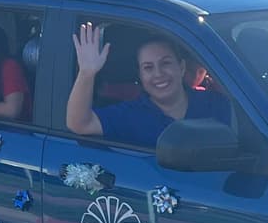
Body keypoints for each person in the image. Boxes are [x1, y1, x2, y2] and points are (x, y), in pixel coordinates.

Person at [67, 23, 230, 146]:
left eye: (165, 63)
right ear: (140, 76)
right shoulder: (130, 114)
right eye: (148, 67)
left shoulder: (215, 104)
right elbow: (80, 124)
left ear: (181, 67)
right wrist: (87, 72)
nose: (158, 74)